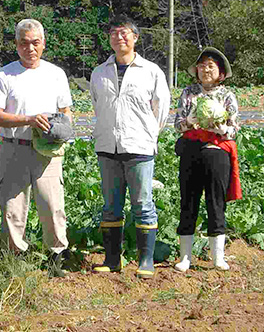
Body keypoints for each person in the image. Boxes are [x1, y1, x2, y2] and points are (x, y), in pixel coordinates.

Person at [0, 18, 73, 277]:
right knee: (13, 206)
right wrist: (28, 119)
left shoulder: (55, 74)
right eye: (24, 43)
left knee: (52, 203)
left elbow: (65, 111)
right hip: (14, 147)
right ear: (16, 45)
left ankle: (56, 257)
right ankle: (14, 259)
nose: (30, 48)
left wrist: (60, 129)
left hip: (48, 150)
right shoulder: (5, 74)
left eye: (35, 42)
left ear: (43, 44)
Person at [89, 15, 170, 279]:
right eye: (114, 33)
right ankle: (113, 259)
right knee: (111, 205)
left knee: (142, 204)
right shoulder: (99, 72)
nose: (119, 37)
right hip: (107, 147)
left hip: (139, 147)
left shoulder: (151, 71)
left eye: (124, 33)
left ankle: (145, 260)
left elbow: (161, 109)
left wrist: (146, 135)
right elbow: (97, 105)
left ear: (135, 37)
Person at [173, 47, 241, 272]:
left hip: (217, 152)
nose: (205, 70)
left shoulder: (227, 96)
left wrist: (223, 129)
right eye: (202, 66)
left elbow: (234, 128)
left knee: (216, 202)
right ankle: (185, 257)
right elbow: (178, 124)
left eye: (210, 66)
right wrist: (190, 120)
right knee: (188, 202)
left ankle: (218, 257)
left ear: (220, 72)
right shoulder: (188, 93)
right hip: (191, 151)